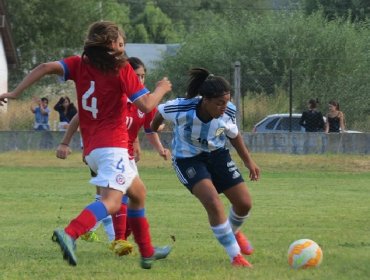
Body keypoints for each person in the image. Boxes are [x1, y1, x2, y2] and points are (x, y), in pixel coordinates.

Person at [0, 21, 172, 269]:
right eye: (121, 44)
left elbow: (45, 67)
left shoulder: (78, 64)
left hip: (93, 148)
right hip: (112, 147)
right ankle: (70, 233)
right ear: (110, 45)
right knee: (113, 201)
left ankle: (146, 252)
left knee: (138, 194)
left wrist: (15, 92)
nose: (123, 49)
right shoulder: (122, 69)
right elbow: (146, 105)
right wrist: (161, 89)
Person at [56, 56, 171, 257]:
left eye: (143, 76)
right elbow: (80, 116)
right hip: (110, 152)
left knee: (131, 195)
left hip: (117, 154)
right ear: (126, 75)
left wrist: (156, 147)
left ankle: (141, 249)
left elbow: (149, 128)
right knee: (117, 199)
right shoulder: (117, 96)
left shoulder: (140, 100)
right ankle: (108, 238)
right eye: (137, 76)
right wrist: (65, 143)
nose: (140, 81)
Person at [151, 67, 260, 268]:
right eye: (219, 103)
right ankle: (236, 257)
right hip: (188, 160)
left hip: (217, 155)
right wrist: (156, 128)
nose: (224, 107)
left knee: (244, 203)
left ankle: (233, 232)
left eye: (226, 102)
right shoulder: (181, 108)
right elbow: (157, 116)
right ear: (205, 100)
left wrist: (248, 161)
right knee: (212, 201)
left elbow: (233, 135)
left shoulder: (229, 110)